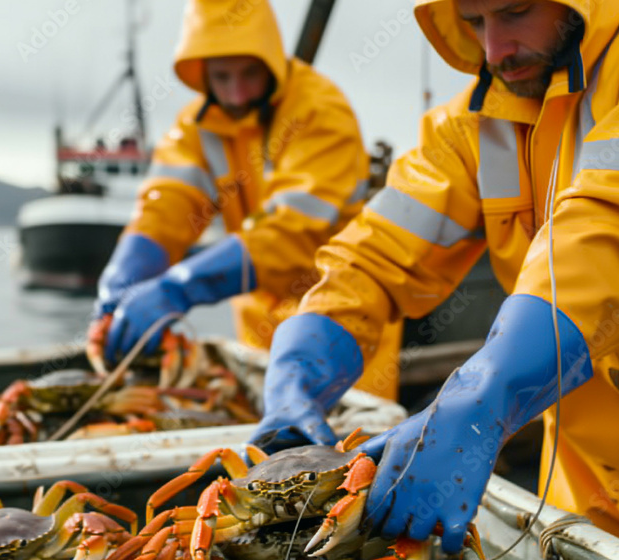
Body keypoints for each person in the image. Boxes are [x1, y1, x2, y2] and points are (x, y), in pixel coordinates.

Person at [250, 0, 619, 556]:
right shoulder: (475, 123)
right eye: (474, 23)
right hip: (590, 498)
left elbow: (617, 227)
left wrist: (488, 389)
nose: (493, 49)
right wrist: (299, 365)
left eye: (516, 11)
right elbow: (377, 252)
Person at [89, 0, 403, 405]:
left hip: (338, 314)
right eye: (222, 76)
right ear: (201, 74)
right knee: (260, 449)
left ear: (271, 62)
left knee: (348, 450)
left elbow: (293, 233)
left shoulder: (320, 110)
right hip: (257, 321)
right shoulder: (195, 128)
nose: (236, 92)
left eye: (249, 73)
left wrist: (178, 288)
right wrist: (126, 271)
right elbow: (166, 203)